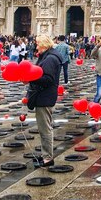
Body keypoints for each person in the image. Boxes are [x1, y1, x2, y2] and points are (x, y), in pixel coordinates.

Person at [28, 35, 61, 167]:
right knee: (44, 128)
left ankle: (48, 158)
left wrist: (30, 78)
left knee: (45, 129)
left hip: (44, 97)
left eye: (37, 44)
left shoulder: (50, 59)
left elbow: (47, 79)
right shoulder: (48, 56)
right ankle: (45, 155)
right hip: (44, 96)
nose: (36, 47)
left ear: (44, 44)